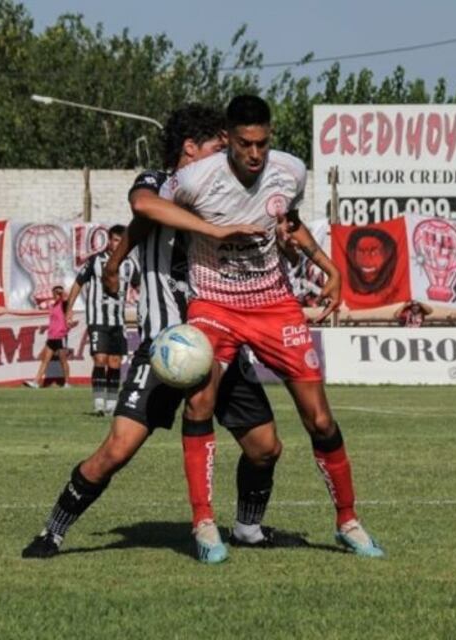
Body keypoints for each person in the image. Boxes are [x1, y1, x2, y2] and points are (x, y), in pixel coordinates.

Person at [22, 104, 299, 561]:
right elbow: (142, 208)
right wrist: (115, 262)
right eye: (216, 146)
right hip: (164, 348)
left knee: (265, 447)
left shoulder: (229, 192)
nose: (225, 155)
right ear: (191, 148)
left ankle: (248, 530)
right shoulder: (159, 183)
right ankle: (52, 531)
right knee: (116, 449)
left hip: (222, 344)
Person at [166, 95, 384, 558]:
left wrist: (330, 268)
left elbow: (290, 221)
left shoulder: (291, 170)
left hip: (274, 306)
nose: (255, 154)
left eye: (263, 143)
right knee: (200, 402)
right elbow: (153, 209)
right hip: (214, 305)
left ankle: (348, 521)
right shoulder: (193, 180)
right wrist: (208, 233)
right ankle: (204, 523)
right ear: (226, 139)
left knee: (319, 418)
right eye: (245, 144)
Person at [66, 225, 139, 415]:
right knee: (100, 358)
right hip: (98, 318)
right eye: (114, 240)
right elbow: (78, 283)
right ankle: (99, 403)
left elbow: (140, 288)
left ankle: (111, 405)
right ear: (108, 240)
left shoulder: (130, 264)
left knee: (115, 362)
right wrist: (69, 309)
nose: (117, 244)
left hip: (118, 321)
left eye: (121, 241)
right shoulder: (95, 261)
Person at [24, 285, 71, 388]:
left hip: (61, 336)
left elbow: (67, 296)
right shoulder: (53, 306)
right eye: (54, 293)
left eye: (57, 293)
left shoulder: (63, 305)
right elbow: (40, 304)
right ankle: (35, 382)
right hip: (51, 337)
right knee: (45, 360)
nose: (56, 295)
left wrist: (60, 291)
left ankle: (67, 383)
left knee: (63, 360)